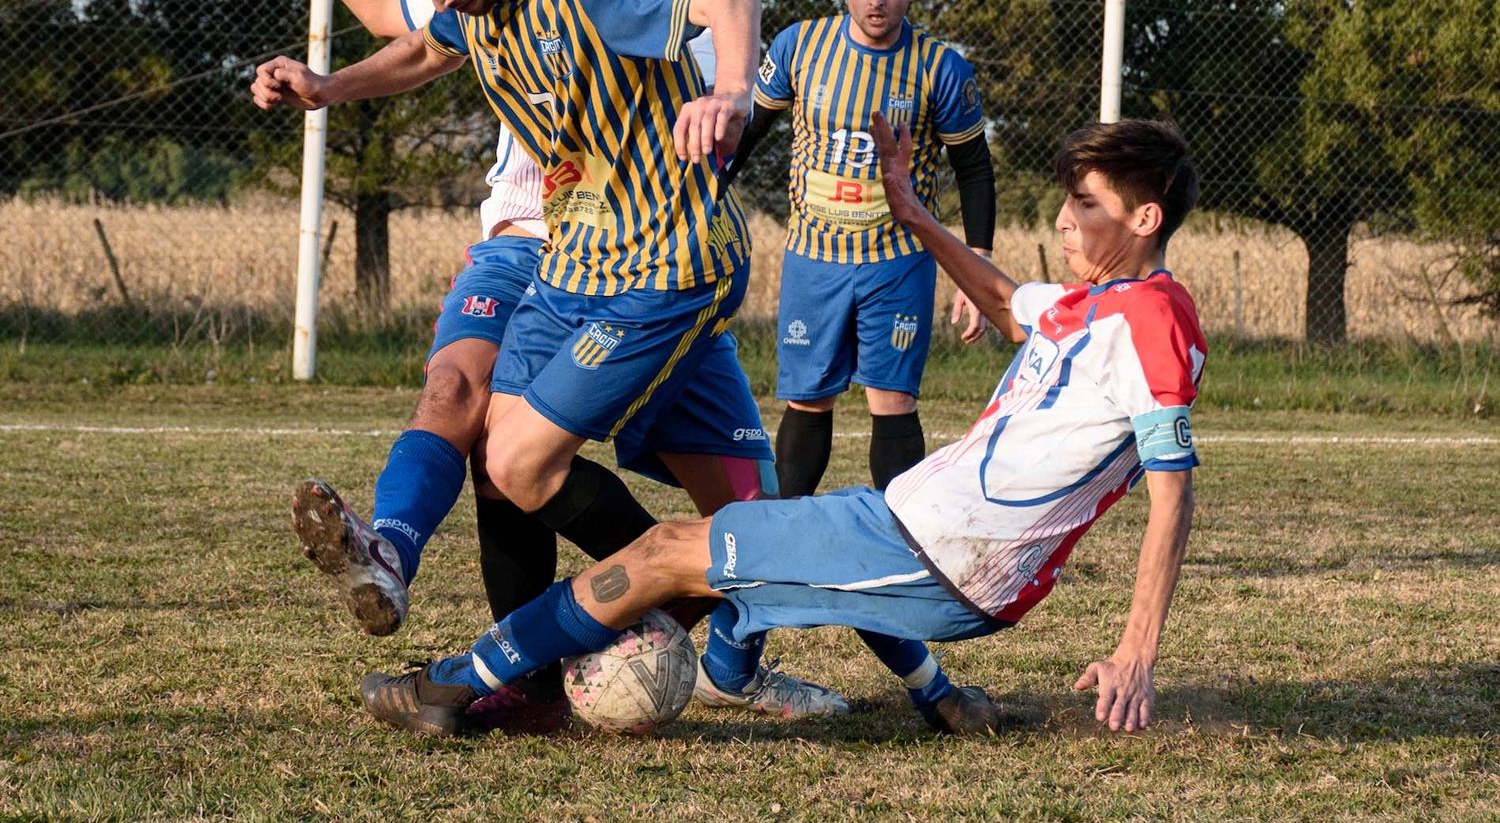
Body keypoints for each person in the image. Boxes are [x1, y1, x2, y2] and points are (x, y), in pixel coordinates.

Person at [244, 0, 859, 719]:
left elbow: (728, 6)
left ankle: (664, 593)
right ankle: (550, 666)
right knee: (500, 460)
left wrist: (730, 91)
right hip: (570, 263)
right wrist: (331, 86)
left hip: (665, 260)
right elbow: (418, 40)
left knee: (545, 463)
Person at [356, 115, 1206, 741]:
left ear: (1144, 221)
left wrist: (1136, 654)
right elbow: (1001, 299)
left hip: (946, 555)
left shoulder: (1156, 321)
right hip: (923, 535)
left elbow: (1172, 494)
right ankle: (924, 694)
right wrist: (909, 209)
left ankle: (450, 686)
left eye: (1085, 204)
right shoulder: (1094, 304)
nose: (1063, 218)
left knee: (663, 557)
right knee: (793, 542)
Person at [742, 0, 996, 497]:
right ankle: (789, 530)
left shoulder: (941, 69)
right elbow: (749, 133)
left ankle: (902, 542)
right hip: (815, 258)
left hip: (899, 259)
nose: (876, 0)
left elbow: (974, 169)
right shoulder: (799, 46)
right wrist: (699, 195)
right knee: (807, 396)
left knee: (893, 398)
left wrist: (977, 266)